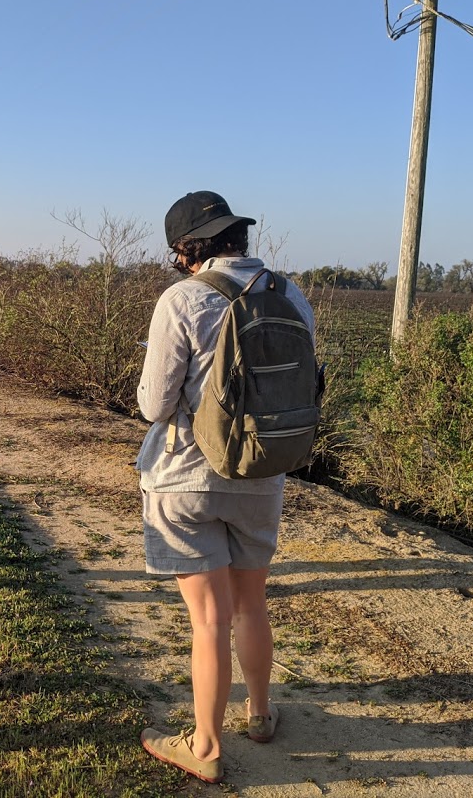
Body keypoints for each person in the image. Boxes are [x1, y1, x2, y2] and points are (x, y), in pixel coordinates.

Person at [136, 191, 316, 784]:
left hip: (186, 478)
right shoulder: (290, 295)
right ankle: (260, 714)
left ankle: (205, 746)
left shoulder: (182, 299)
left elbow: (154, 404)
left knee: (208, 619)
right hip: (263, 474)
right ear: (237, 237)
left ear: (187, 250)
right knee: (251, 604)